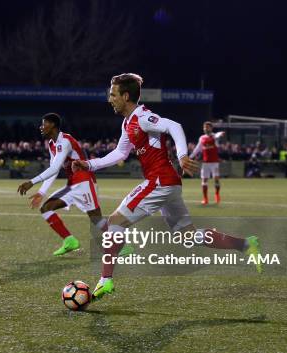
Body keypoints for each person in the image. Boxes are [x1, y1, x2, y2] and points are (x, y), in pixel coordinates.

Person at [71, 73, 262, 301]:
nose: (109, 99)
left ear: (125, 96)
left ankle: (105, 281)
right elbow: (120, 153)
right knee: (188, 237)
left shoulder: (143, 116)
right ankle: (244, 244)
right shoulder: (128, 122)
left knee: (113, 222)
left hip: (159, 181)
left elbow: (174, 126)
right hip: (168, 184)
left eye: (112, 95)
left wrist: (182, 156)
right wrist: (88, 164)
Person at [17, 113, 110, 256]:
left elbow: (54, 168)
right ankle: (70, 241)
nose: (41, 127)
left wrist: (31, 182)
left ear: (53, 125)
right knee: (46, 208)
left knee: (95, 217)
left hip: (85, 181)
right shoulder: (52, 144)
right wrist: (41, 192)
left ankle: (121, 246)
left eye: (44, 124)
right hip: (73, 184)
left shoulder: (65, 140)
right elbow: (53, 171)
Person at [189, 122, 225, 204]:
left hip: (214, 162)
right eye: (204, 127)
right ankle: (205, 199)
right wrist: (190, 157)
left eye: (207, 127)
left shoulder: (214, 136)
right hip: (205, 163)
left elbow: (217, 135)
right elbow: (197, 149)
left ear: (211, 128)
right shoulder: (202, 138)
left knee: (216, 179)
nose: (205, 129)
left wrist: (221, 133)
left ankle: (217, 195)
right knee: (204, 180)